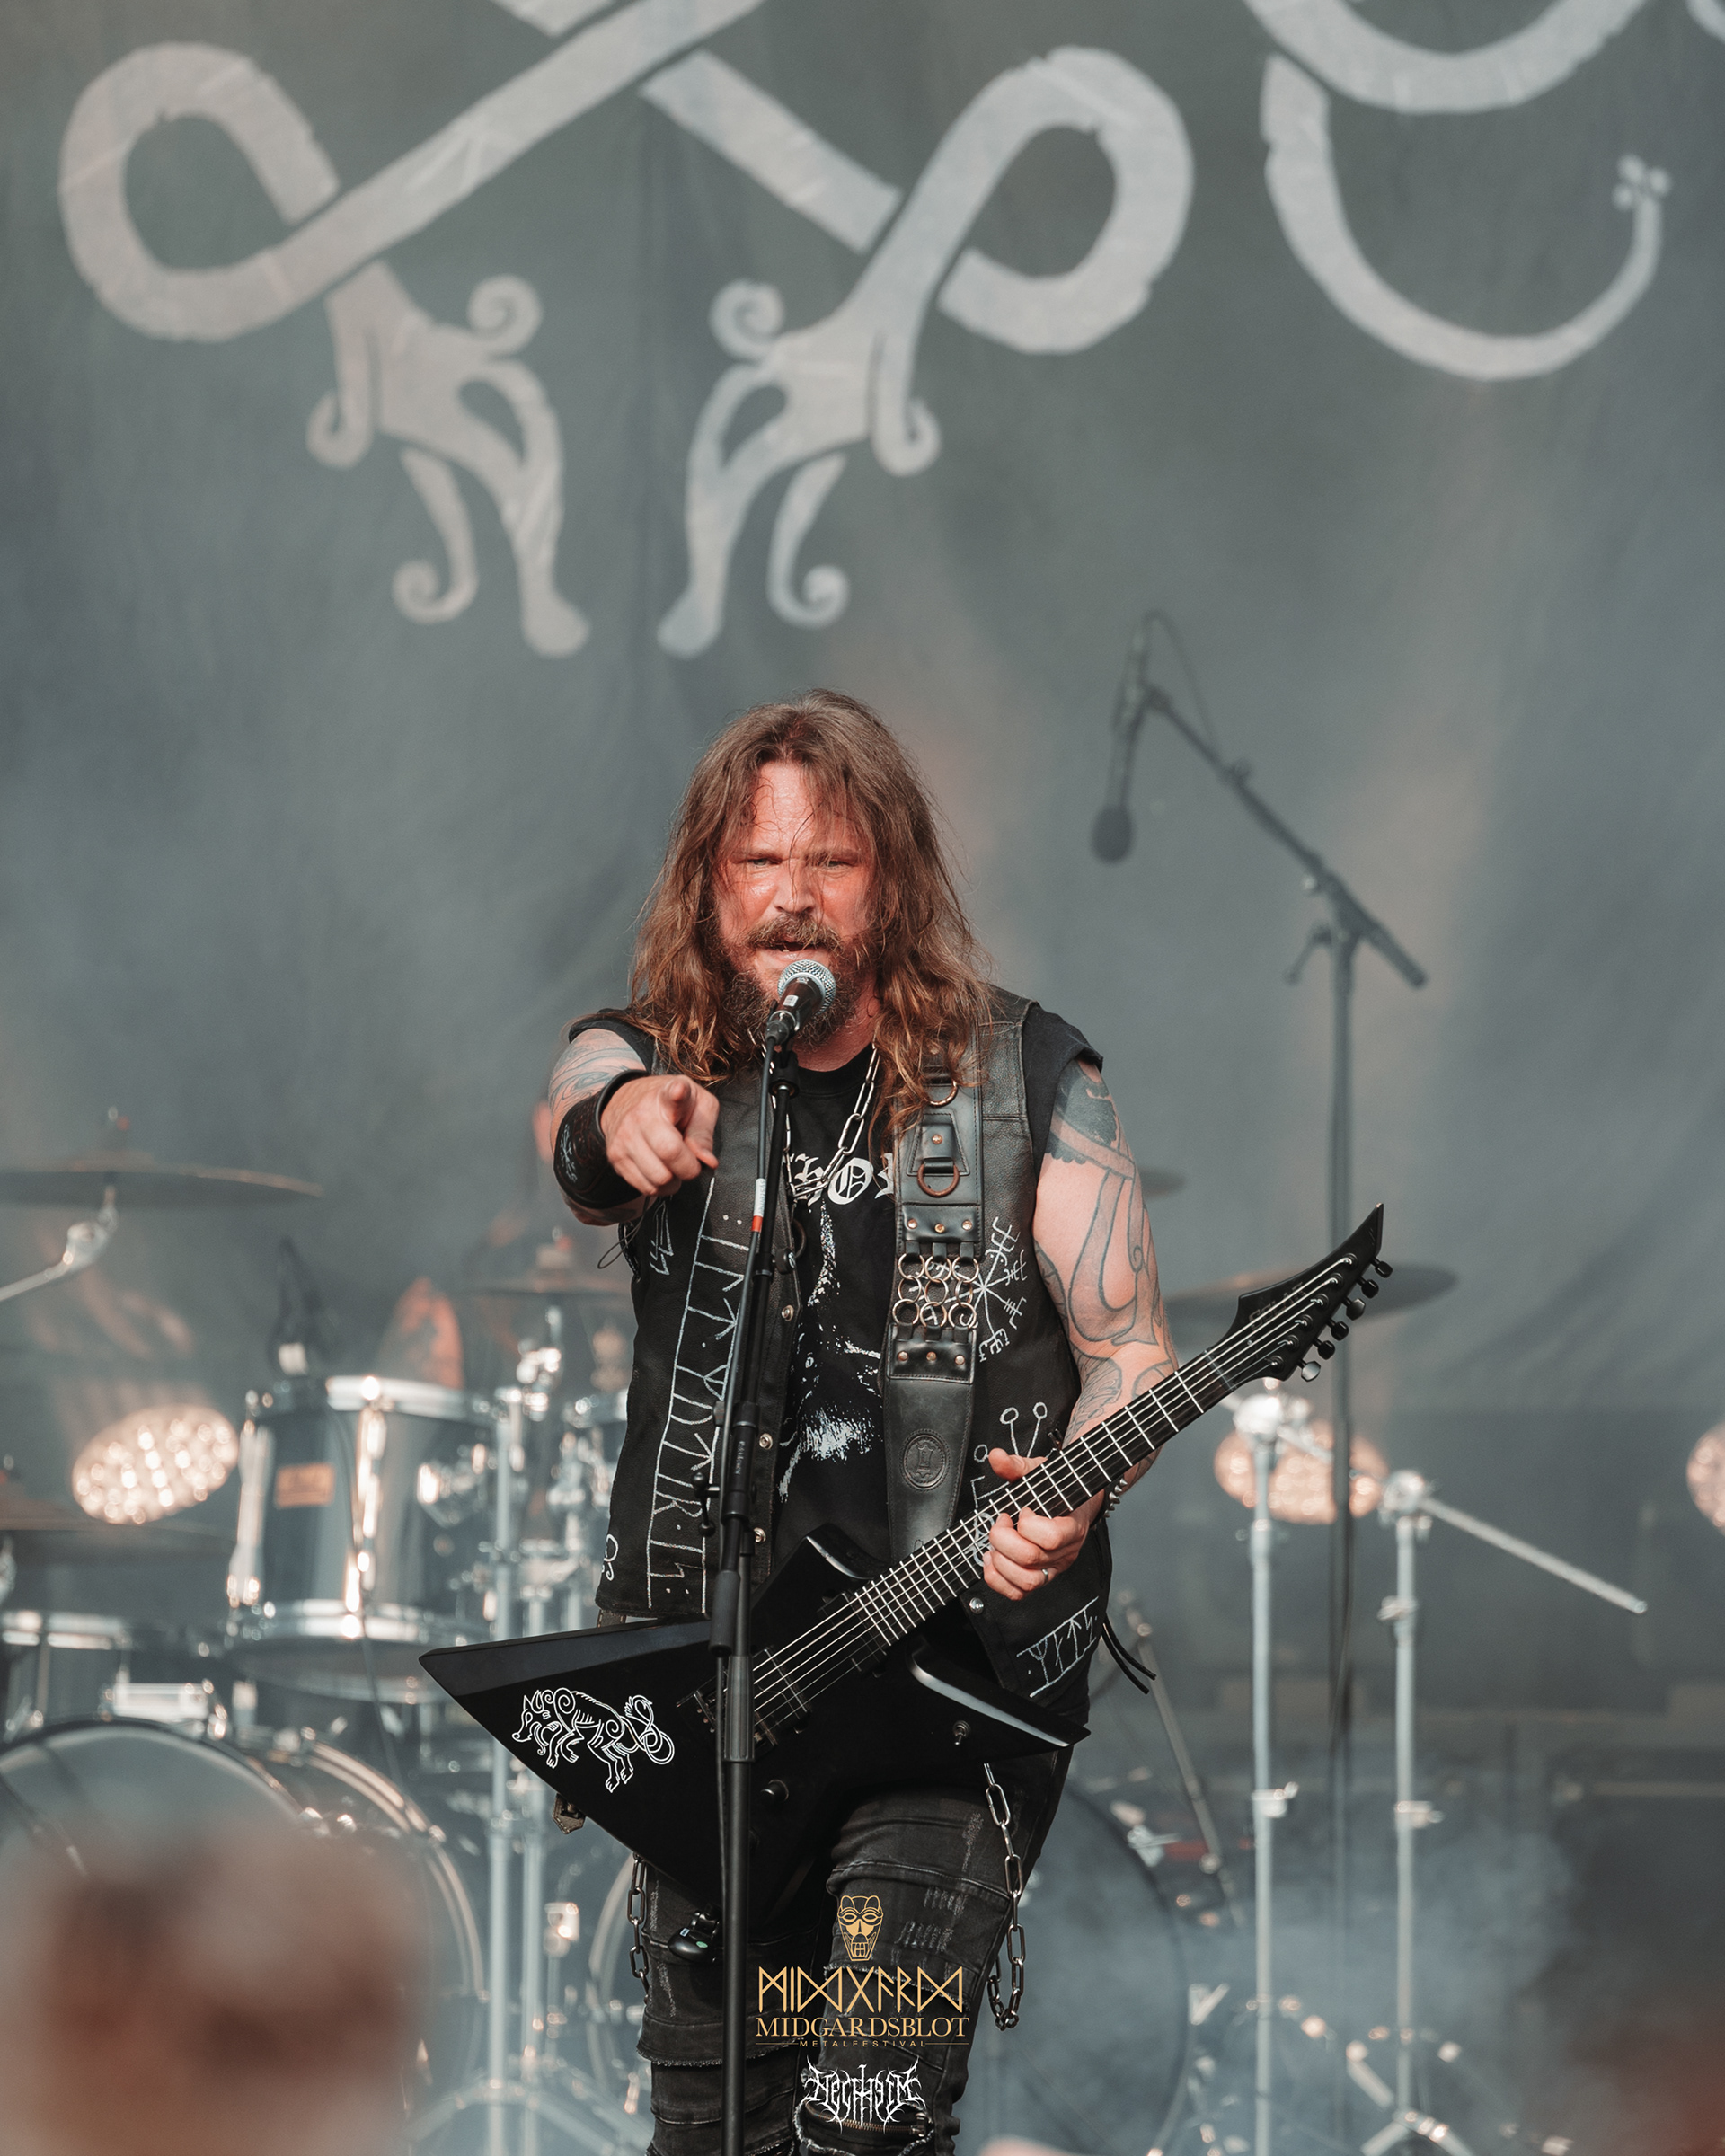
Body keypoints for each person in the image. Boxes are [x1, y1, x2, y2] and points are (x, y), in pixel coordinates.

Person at [547, 690, 1175, 2156]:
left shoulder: (1025, 1079)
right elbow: (580, 1114)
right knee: (712, 2125)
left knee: (868, 2117)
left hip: (944, 1687)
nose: (794, 899)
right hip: (721, 1693)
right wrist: (618, 1115)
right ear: (709, 885)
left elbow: (1135, 1354)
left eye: (831, 861)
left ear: (890, 879)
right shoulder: (654, 1060)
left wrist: (1075, 1494)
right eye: (760, 863)